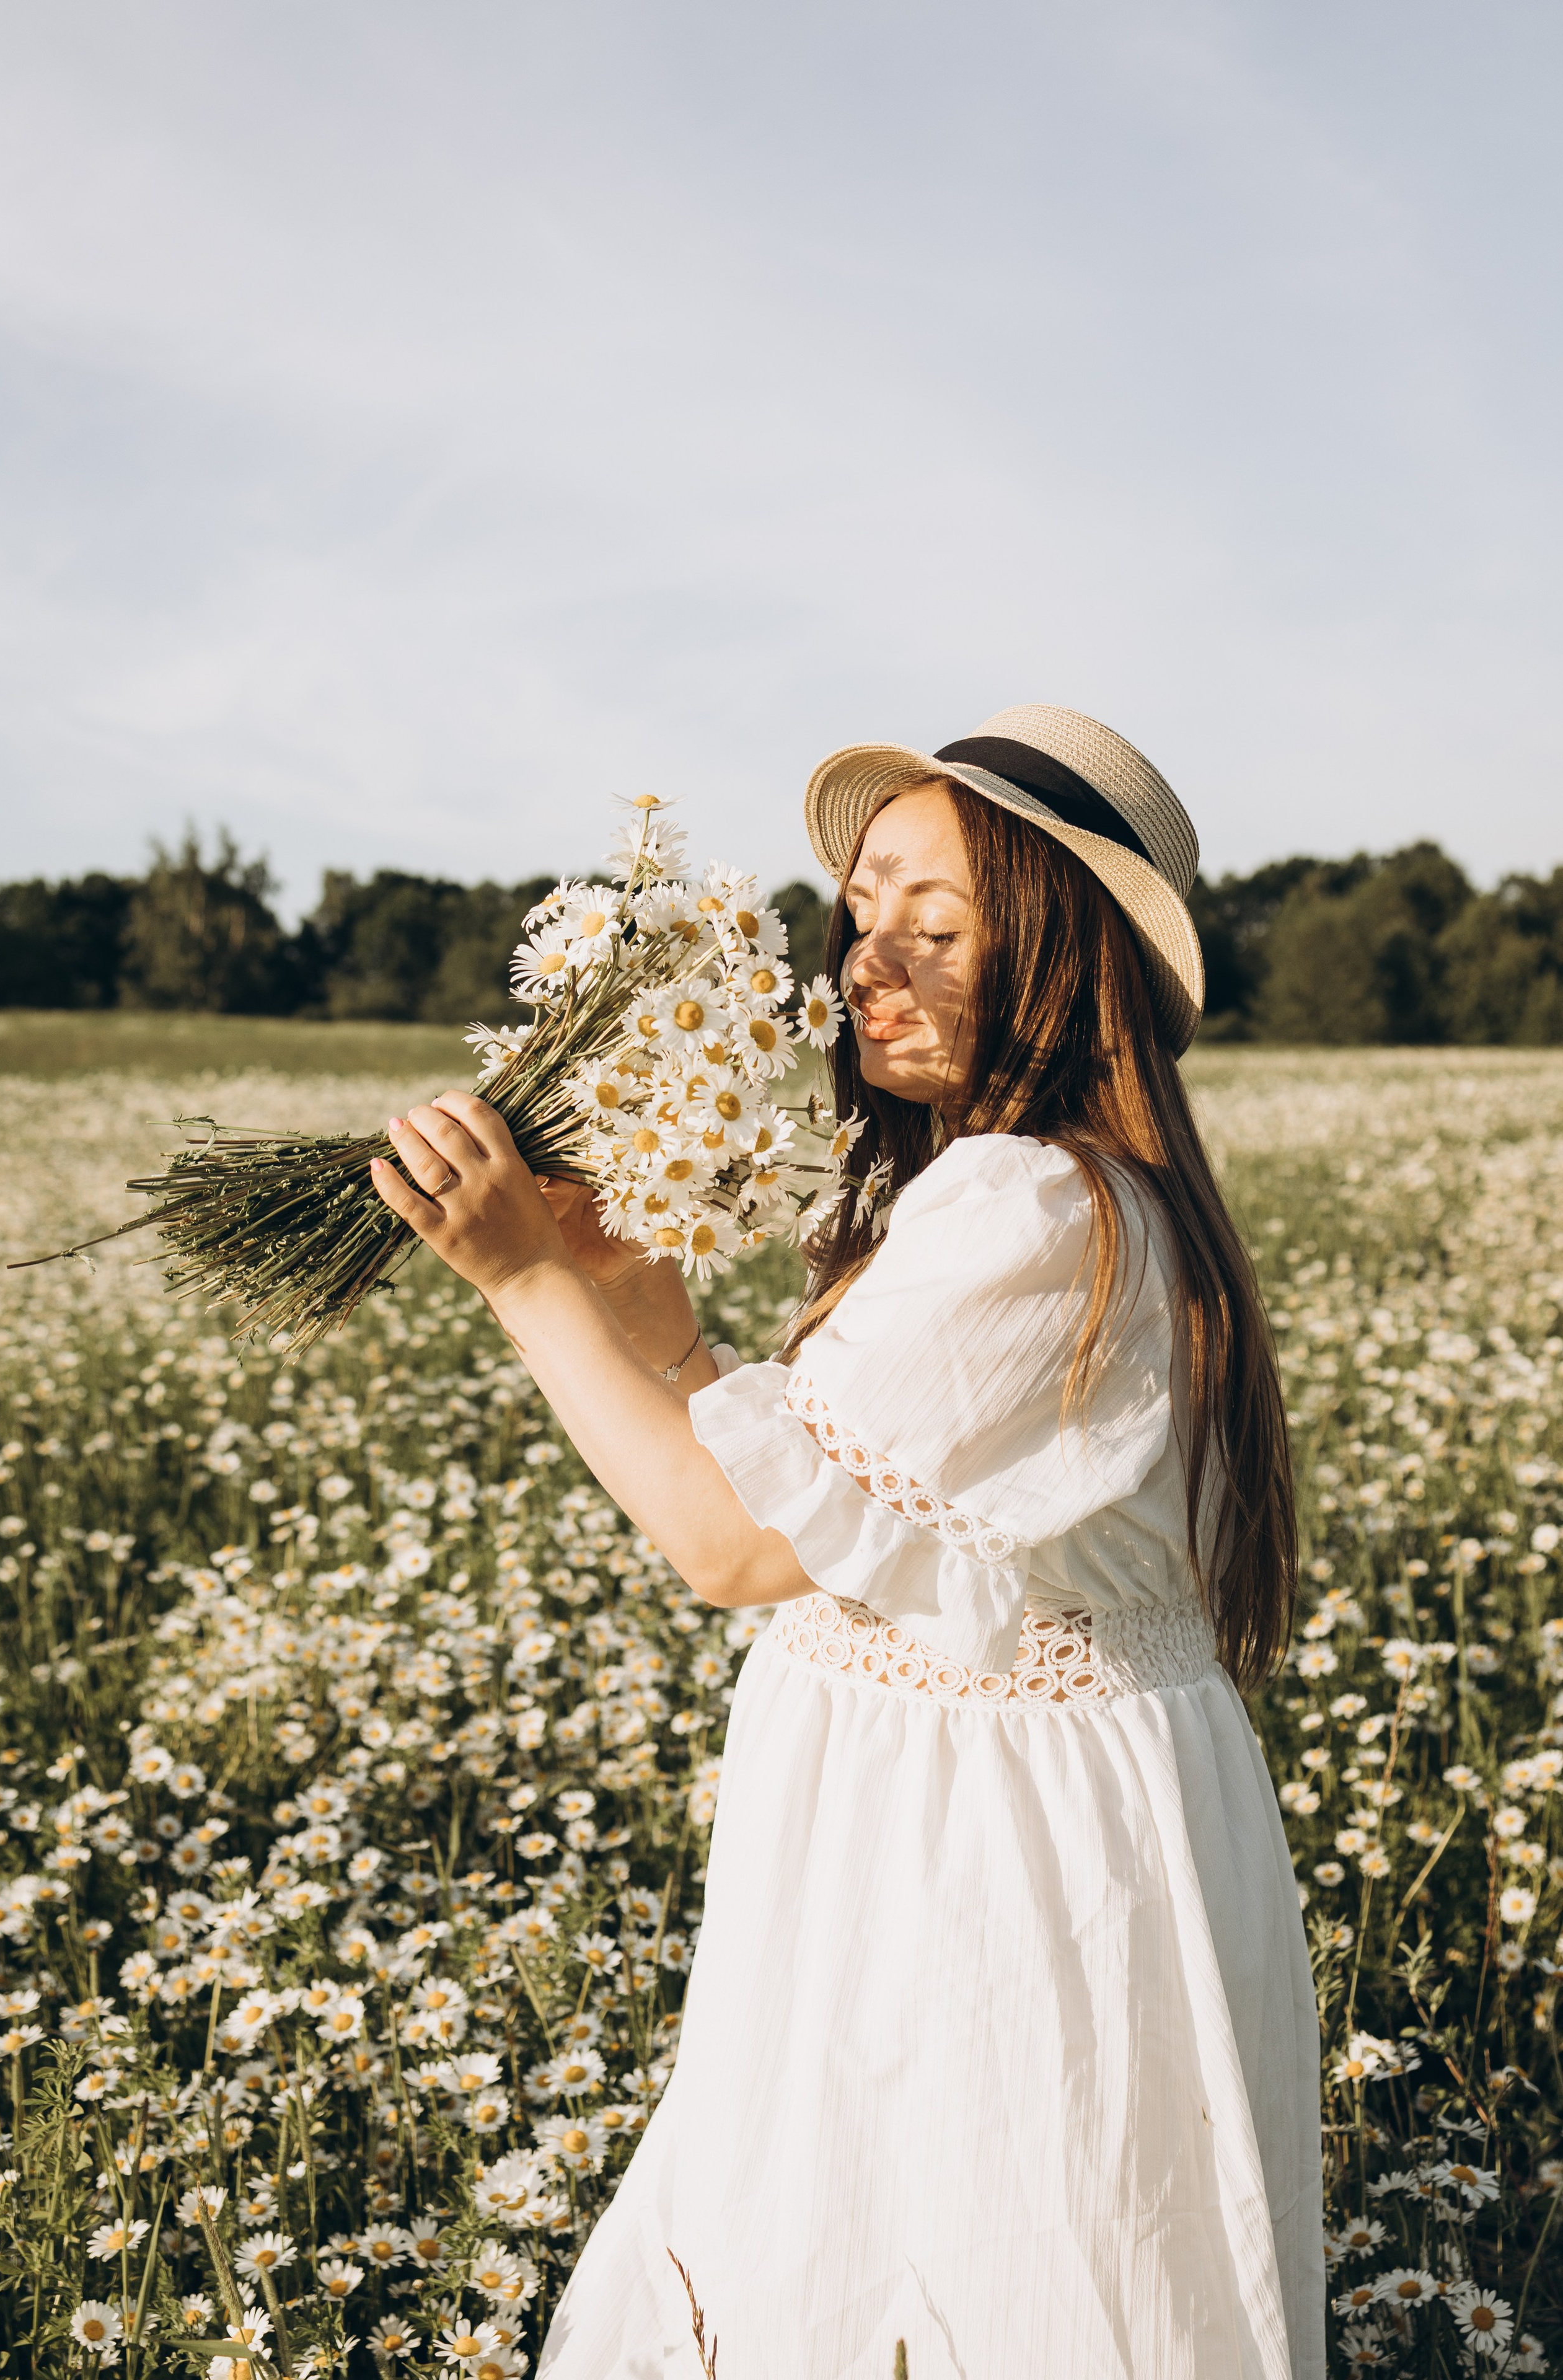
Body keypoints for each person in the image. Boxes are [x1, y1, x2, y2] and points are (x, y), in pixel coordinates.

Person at [371, 703, 1324, 2380]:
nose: (867, 956)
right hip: (981, 1823)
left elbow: (736, 1551)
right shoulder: (1027, 1193)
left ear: (1060, 960)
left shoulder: (1033, 1206)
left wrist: (525, 1281)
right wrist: (651, 1321)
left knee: (977, 2263)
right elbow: (843, 1518)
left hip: (987, 1872)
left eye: (937, 923)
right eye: (864, 907)